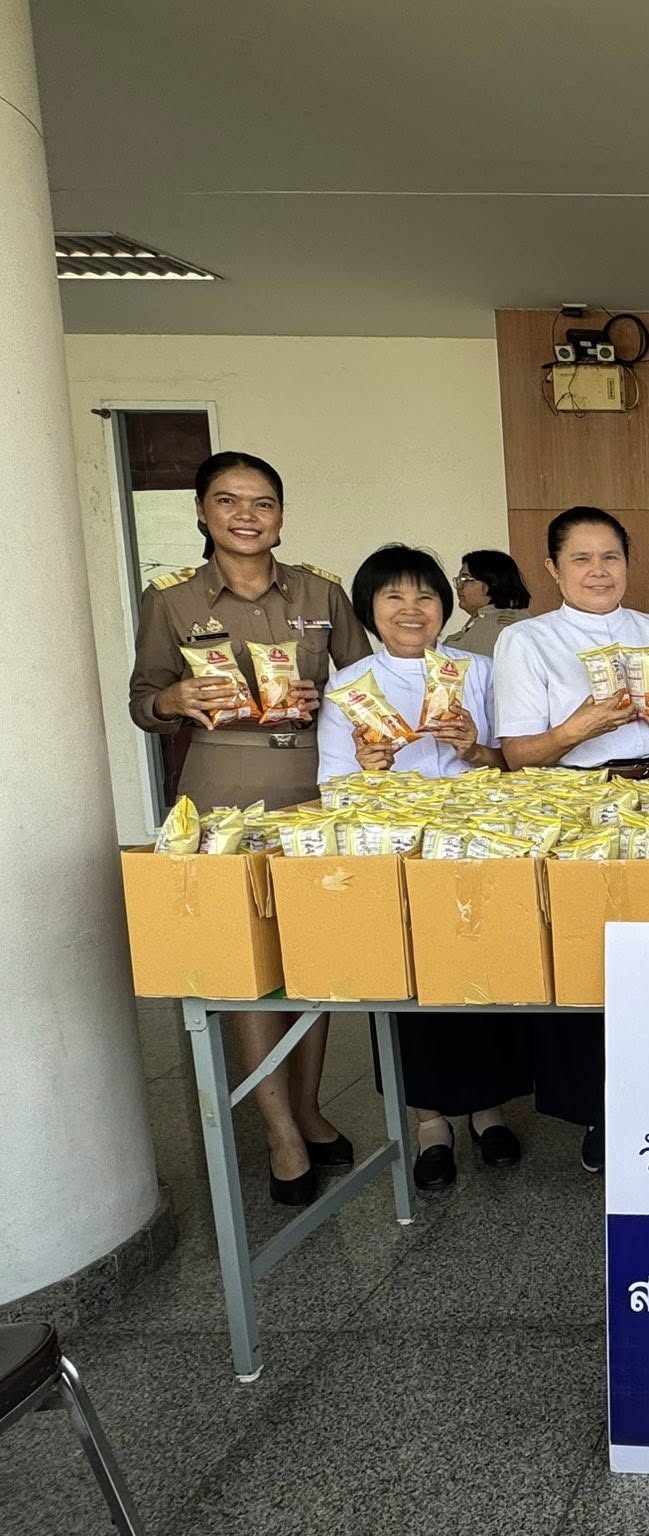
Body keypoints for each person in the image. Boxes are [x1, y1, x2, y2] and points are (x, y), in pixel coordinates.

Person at [128, 450, 371, 1205]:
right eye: (228, 501)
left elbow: (366, 691)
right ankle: (279, 1130)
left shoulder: (322, 592)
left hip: (314, 786)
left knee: (312, 954)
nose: (245, 515)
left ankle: (310, 1104)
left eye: (262, 502)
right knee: (245, 962)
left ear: (281, 517)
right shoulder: (170, 598)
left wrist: (324, 694)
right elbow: (142, 699)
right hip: (221, 787)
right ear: (201, 511)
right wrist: (176, 700)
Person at [493, 506, 649, 1173]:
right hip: (576, 804)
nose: (598, 571)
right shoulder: (527, 642)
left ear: (628, 563)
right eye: (582, 558)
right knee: (590, 956)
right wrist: (578, 728)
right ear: (553, 568)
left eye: (611, 556)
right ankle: (600, 1109)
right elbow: (517, 754)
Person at [317, 545, 530, 1191]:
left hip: (475, 845)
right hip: (399, 855)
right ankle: (429, 1121)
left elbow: (515, 763)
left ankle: (488, 1110)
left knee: (481, 972)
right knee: (411, 983)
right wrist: (370, 769)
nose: (411, 610)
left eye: (425, 597)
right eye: (393, 598)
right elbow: (331, 789)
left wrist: (478, 749)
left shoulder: (477, 670)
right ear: (370, 610)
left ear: (444, 605)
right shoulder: (350, 685)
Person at [446, 548, 530, 655]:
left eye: (466, 579)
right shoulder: (482, 620)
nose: (459, 587)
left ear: (490, 583)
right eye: (458, 580)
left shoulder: (502, 626)